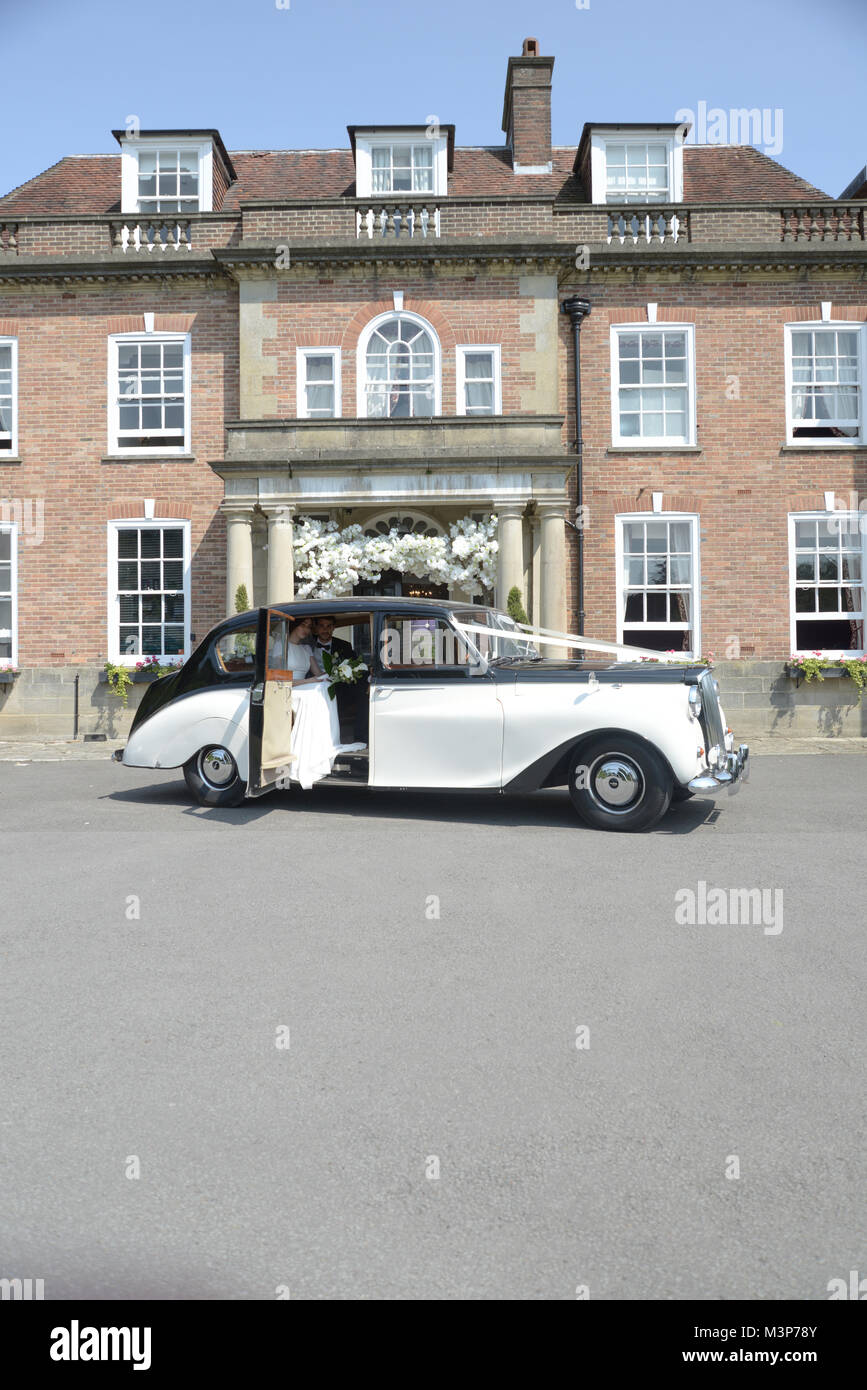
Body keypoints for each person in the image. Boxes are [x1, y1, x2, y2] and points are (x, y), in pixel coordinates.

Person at [283, 617, 364, 789]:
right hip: (291, 688)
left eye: (308, 626)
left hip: (322, 686)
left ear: (334, 628)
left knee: (325, 688)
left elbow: (319, 674)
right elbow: (280, 678)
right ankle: (310, 750)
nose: (306, 629)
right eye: (304, 626)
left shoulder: (307, 649)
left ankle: (325, 743)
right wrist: (314, 680)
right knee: (316, 693)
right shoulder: (283, 648)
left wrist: (332, 679)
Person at [309, 615, 370, 744]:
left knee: (363, 691)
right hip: (312, 686)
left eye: (329, 626)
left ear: (334, 627)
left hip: (339, 688)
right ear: (315, 627)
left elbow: (357, 667)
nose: (325, 630)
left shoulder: (344, 645)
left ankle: (361, 738)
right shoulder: (307, 643)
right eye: (321, 626)